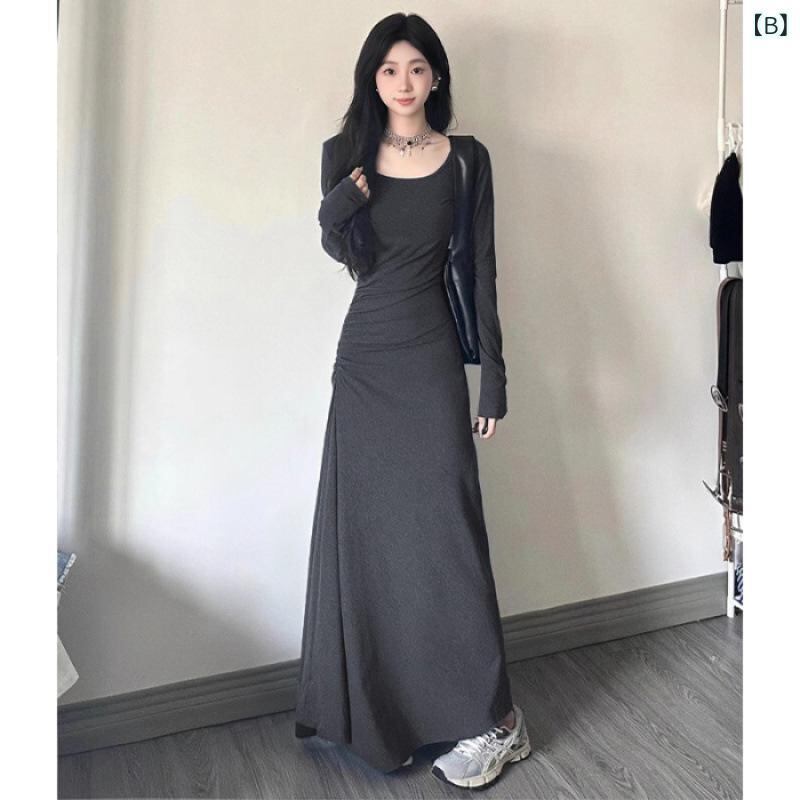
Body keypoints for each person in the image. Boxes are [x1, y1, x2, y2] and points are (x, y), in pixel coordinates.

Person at [294, 12, 531, 789]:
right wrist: (334, 211)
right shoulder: (343, 157)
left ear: (436, 77)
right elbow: (349, 256)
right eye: (389, 69)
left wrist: (493, 374)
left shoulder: (466, 160)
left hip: (430, 357)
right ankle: (387, 715)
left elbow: (480, 269)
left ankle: (497, 721)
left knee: (447, 537)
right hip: (365, 360)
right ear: (373, 79)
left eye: (417, 68)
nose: (403, 82)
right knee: (371, 541)